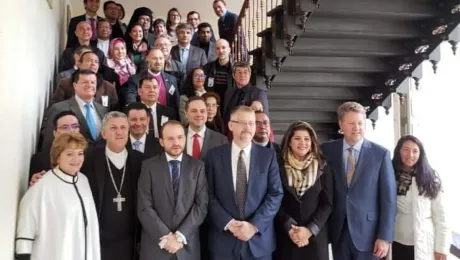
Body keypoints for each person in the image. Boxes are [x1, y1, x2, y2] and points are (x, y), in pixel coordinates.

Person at [206, 105, 283, 260]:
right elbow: (208, 194)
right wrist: (228, 223)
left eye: (251, 123)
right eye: (242, 122)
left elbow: (275, 194)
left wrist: (254, 225)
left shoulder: (268, 157)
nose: (248, 127)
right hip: (224, 241)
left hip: (258, 241)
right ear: (231, 125)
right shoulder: (214, 156)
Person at [321, 101, 396, 260]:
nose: (357, 127)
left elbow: (388, 200)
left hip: (369, 234)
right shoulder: (327, 150)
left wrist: (385, 236)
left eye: (360, 123)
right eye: (351, 123)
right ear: (341, 124)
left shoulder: (380, 154)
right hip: (338, 231)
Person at [16, 132, 100, 260]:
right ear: (57, 157)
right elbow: (26, 225)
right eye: (69, 154)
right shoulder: (42, 185)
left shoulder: (83, 180)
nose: (76, 159)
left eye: (80, 153)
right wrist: (23, 253)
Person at [137, 120, 208, 259]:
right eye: (170, 138)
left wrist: (180, 236)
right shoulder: (148, 166)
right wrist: (166, 238)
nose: (176, 142)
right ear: (162, 141)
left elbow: (201, 206)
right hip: (157, 247)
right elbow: (144, 206)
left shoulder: (197, 167)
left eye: (180, 137)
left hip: (186, 247)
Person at [84, 111, 145, 260]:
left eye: (123, 127)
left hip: (130, 239)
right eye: (113, 128)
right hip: (100, 237)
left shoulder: (140, 161)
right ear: (103, 133)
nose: (119, 132)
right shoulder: (89, 159)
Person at [273, 121, 333, 260]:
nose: (303, 142)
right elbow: (275, 199)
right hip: (286, 237)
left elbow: (327, 204)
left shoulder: (323, 166)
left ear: (312, 142)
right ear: (289, 142)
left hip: (315, 239)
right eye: (297, 138)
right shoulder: (277, 166)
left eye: (307, 139)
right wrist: (290, 228)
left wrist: (309, 230)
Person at [392, 135, 450, 260]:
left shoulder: (430, 177)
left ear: (420, 154)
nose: (410, 155)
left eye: (415, 151)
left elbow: (442, 216)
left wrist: (441, 248)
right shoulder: (390, 174)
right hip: (395, 241)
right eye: (406, 149)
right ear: (399, 151)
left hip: (422, 241)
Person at [29, 111, 80, 182]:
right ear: (55, 133)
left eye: (75, 126)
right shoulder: (39, 159)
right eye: (65, 127)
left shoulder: (90, 156)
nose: (71, 130)